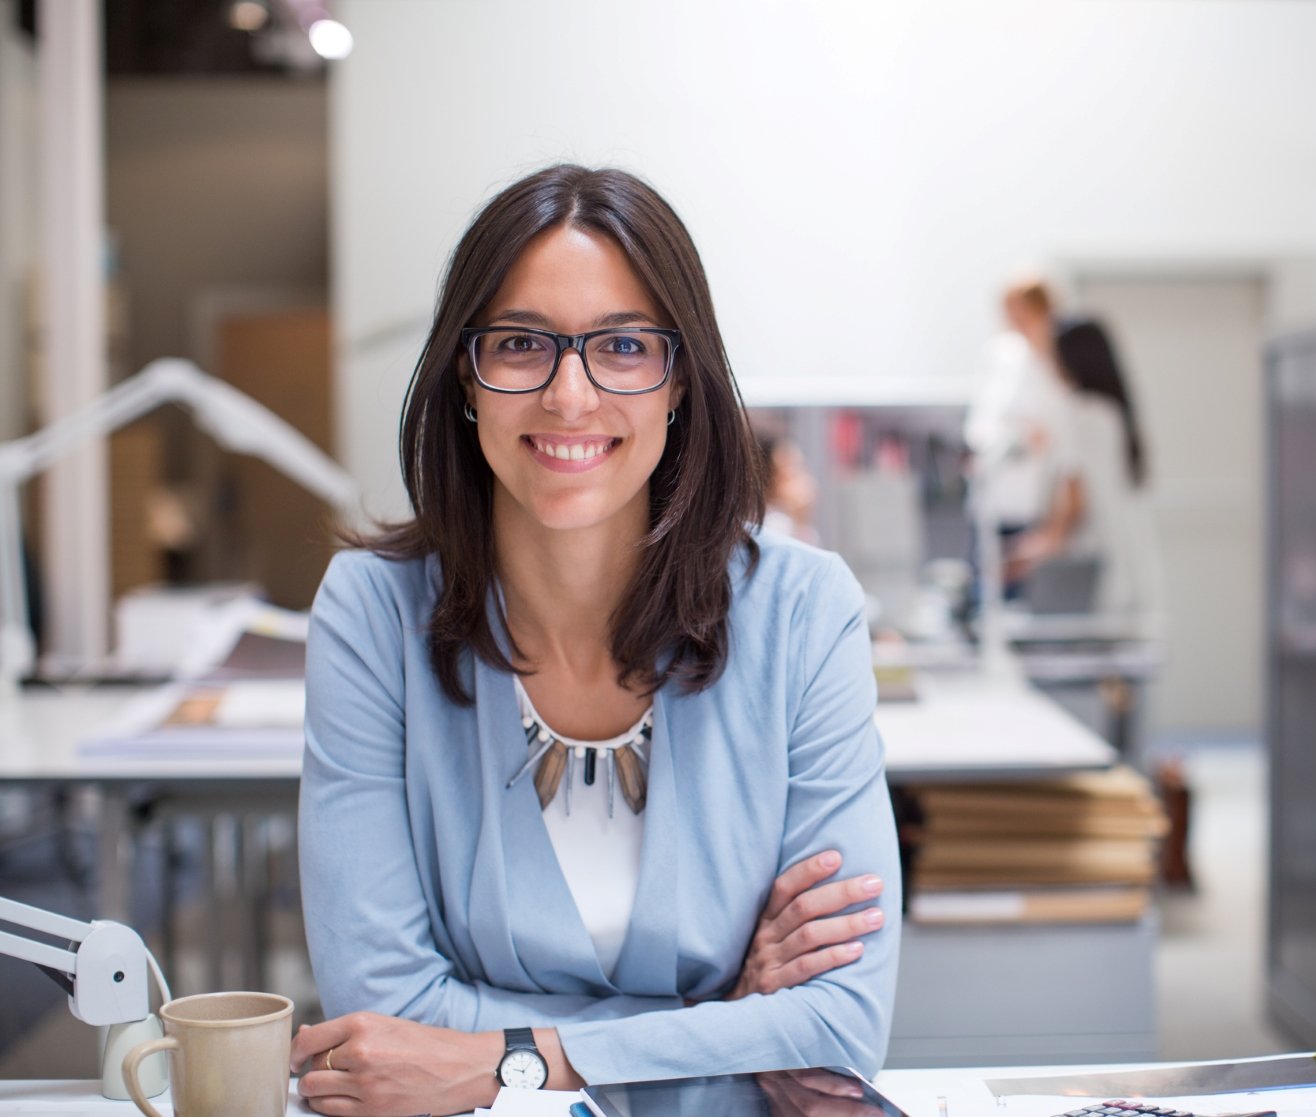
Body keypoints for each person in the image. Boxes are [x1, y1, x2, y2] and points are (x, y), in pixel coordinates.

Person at [287, 165, 900, 1116]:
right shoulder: (372, 615)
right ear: (465, 373)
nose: (570, 396)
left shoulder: (804, 611)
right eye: (522, 343)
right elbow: (384, 1018)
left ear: (679, 382)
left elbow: (836, 1025)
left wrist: (496, 1061)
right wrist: (725, 1015)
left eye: (621, 345)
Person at [1008, 315, 1164, 633]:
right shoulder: (1112, 409)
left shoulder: (1076, 411)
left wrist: (1031, 550)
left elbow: (1074, 499)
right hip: (1130, 565)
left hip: (1092, 576)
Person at [963, 278, 1074, 592]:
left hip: (1039, 502)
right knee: (989, 588)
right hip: (997, 496)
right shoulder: (1003, 355)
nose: (1015, 318)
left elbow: (1064, 434)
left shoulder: (1057, 360)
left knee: (1031, 592)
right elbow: (981, 422)